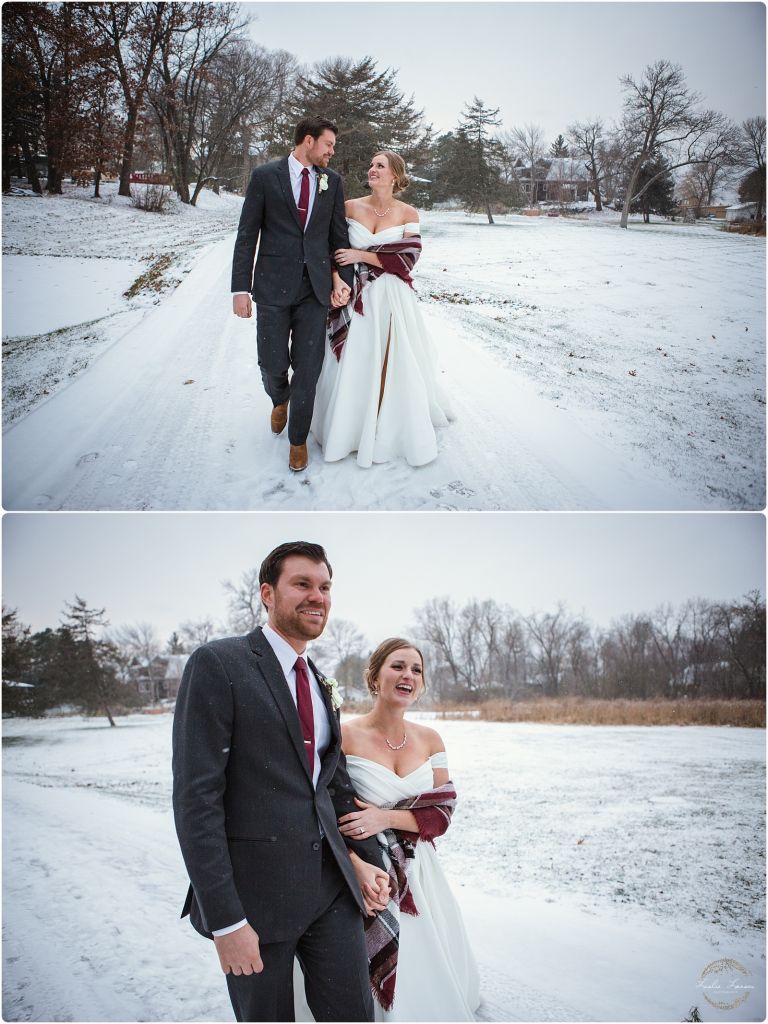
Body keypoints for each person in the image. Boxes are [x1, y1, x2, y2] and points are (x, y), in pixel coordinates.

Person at [172, 541, 390, 1022]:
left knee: (355, 1015)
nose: (318, 596)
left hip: (331, 893)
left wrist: (365, 860)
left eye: (325, 587)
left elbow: (330, 787)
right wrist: (227, 922)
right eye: (303, 584)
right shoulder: (218, 664)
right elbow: (196, 801)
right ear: (267, 593)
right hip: (255, 901)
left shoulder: (319, 680)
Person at [298, 638, 480, 1022]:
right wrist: (352, 862)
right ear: (375, 676)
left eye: (416, 670)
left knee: (428, 975)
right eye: (397, 666)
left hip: (420, 871)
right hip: (365, 868)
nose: (407, 675)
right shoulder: (344, 736)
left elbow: (442, 812)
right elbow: (324, 809)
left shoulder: (431, 740)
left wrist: (385, 817)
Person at [310, 151, 452, 468]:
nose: (372, 169)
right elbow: (331, 247)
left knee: (391, 358)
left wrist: (360, 255)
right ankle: (348, 426)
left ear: (395, 176)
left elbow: (408, 258)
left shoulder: (407, 212)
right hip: (354, 295)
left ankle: (386, 425)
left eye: (380, 166)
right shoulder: (349, 207)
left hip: (392, 297)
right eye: (371, 164)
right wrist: (337, 279)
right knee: (353, 359)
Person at [231, 118, 354, 474]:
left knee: (308, 367)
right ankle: (278, 397)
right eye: (328, 144)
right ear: (309, 141)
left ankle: (297, 440)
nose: (332, 152)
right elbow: (247, 234)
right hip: (272, 286)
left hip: (314, 289)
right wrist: (240, 288)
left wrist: (342, 281)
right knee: (272, 363)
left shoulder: (332, 182)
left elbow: (338, 237)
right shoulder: (265, 177)